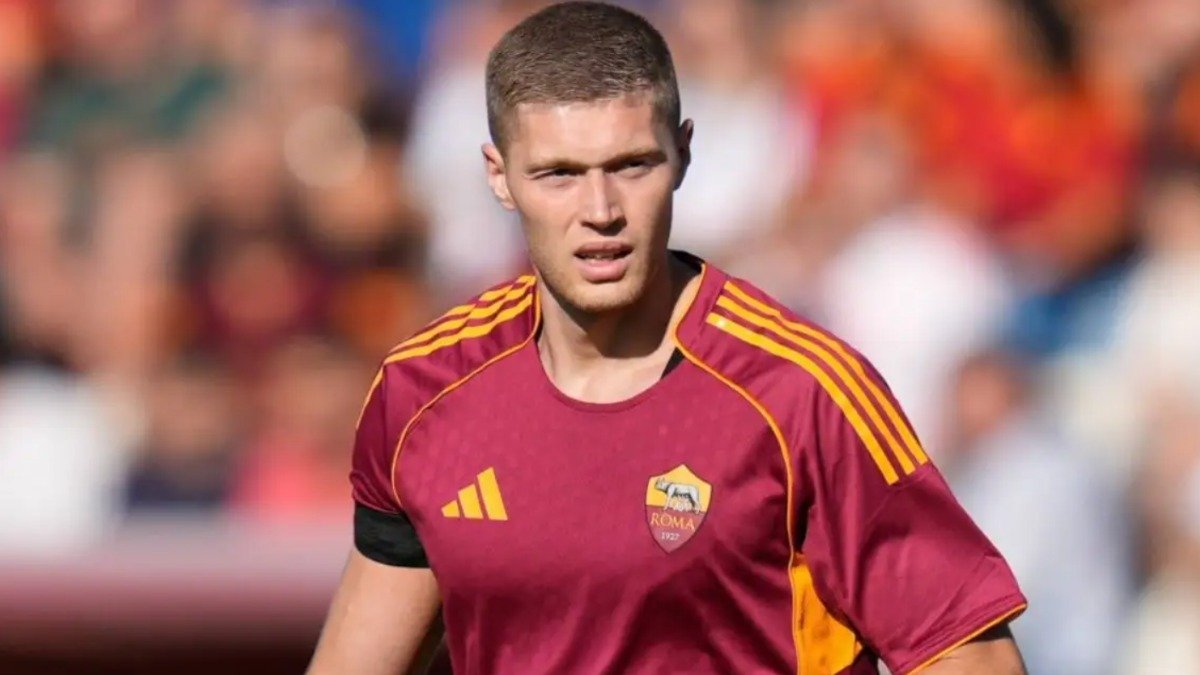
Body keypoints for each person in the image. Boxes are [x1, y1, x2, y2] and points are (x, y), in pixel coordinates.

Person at [307, 3, 1027, 674]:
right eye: (559, 175)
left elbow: (973, 657)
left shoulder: (803, 393)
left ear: (682, 153)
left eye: (631, 166)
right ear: (499, 177)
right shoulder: (424, 391)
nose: (600, 210)